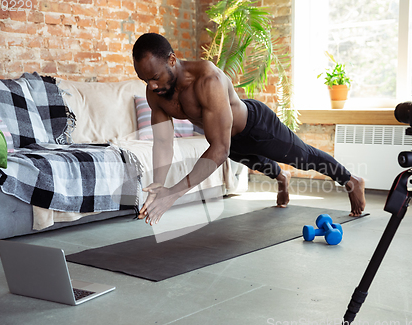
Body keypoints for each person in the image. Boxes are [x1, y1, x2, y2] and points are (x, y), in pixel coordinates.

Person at [133, 33, 366, 225]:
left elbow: (219, 150)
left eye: (155, 77)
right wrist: (159, 185)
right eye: (145, 81)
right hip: (231, 142)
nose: (151, 86)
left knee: (303, 157)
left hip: (256, 126)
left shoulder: (207, 80)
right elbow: (163, 142)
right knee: (259, 163)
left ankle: (351, 180)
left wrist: (173, 193)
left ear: (172, 60)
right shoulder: (156, 92)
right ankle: (281, 176)